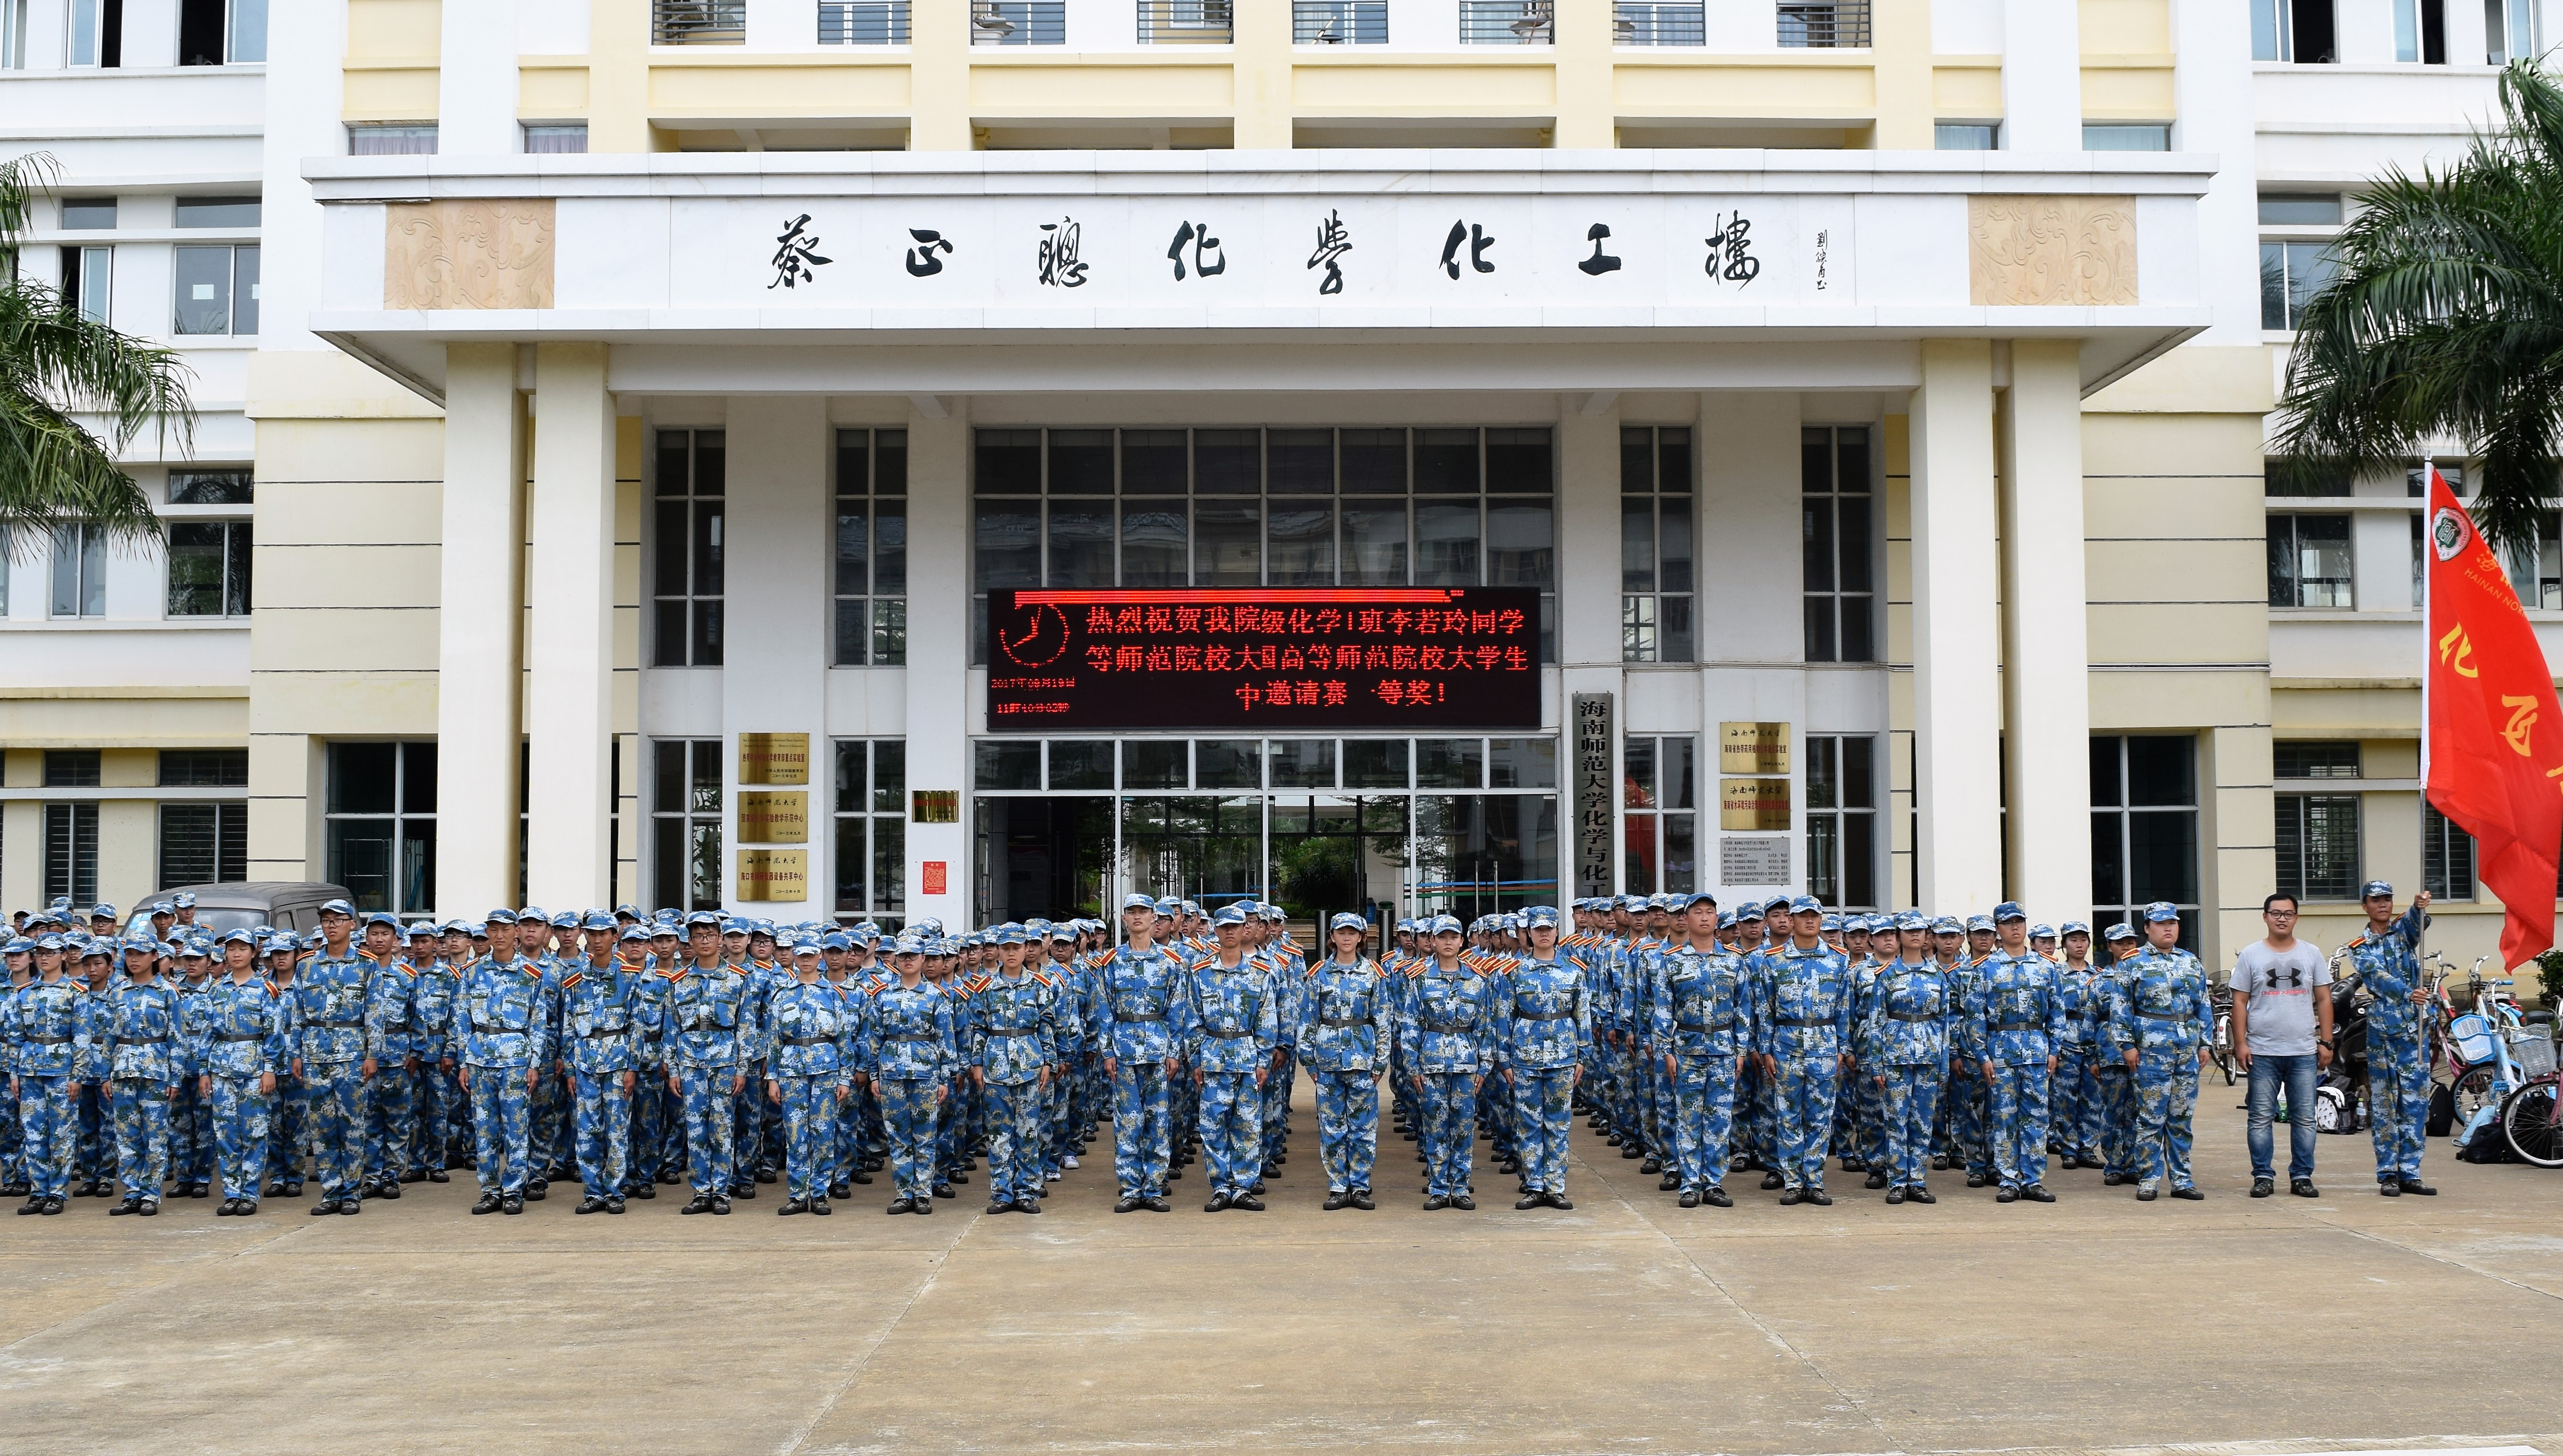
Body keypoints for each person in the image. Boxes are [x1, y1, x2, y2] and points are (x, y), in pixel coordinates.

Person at [2108, 902, 2216, 1201]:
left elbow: (2203, 1006)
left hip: (2186, 1049)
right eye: (2161, 923)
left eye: (2173, 923)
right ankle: (2149, 1178)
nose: (2168, 928)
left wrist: (2206, 1044)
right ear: (2147, 928)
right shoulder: (2133, 962)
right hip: (2151, 1050)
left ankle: (2182, 1179)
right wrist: (2127, 1046)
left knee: (2181, 1117)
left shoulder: (2191, 962)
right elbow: (2120, 1010)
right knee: (2151, 1117)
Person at [1175, 903, 1278, 1212]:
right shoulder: (1200, 973)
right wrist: (1195, 1061)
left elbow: (1267, 1020)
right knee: (1213, 1126)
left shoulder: (1260, 973)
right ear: (1217, 931)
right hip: (1213, 1060)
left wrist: (1263, 1062)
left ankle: (1243, 1187)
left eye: (1237, 926)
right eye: (1225, 927)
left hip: (1247, 1060)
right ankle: (1220, 1186)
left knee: (1247, 1126)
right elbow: (1191, 1020)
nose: (1231, 932)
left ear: (1246, 929)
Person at [2231, 893, 2333, 1198]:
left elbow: (2324, 998)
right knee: (2260, 1118)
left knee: (2304, 1118)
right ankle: (2263, 1175)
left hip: (2303, 1050)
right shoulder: (2251, 955)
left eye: (2288, 914)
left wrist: (2326, 1041)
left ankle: (2302, 1176)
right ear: (2265, 917)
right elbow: (2239, 1000)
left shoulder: (2311, 953)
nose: (2282, 919)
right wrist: (2240, 1043)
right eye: (2276, 913)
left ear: (2297, 918)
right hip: (2262, 1051)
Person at [1656, 891, 1750, 1208]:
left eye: (1710, 912)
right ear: (1687, 919)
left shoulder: (1735, 961)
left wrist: (1739, 1051)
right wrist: (1666, 1051)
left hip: (1723, 1049)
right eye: (1698, 912)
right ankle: (1690, 1182)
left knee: (1719, 1120)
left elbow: (1743, 1010)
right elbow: (1663, 1009)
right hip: (1687, 1049)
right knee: (1688, 1118)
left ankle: (1713, 1183)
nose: (1705, 917)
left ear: (1717, 919)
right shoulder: (1671, 961)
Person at [1758, 896, 1854, 1205]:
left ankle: (1814, 1180)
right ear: (1793, 920)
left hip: (1824, 1046)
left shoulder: (1838, 960)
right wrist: (1766, 1049)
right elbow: (1766, 1009)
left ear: (1821, 920)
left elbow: (1843, 1009)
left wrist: (1843, 1046)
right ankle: (1793, 1181)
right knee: (1787, 1115)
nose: (1809, 921)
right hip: (1786, 1045)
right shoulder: (1773, 960)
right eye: (1802, 916)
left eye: (1814, 916)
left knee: (1820, 1116)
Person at [1970, 902, 2067, 1203]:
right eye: (2008, 923)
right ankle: (2008, 1180)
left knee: (2037, 1117)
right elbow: (1975, 1018)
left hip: (2037, 1051)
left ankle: (2033, 1179)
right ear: (1998, 930)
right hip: (2002, 1052)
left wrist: (2054, 1049)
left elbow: (2057, 1013)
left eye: (2020, 922)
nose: (2015, 928)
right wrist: (1983, 1056)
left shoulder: (2046, 967)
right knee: (2004, 1118)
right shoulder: (1986, 969)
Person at [454, 911, 549, 1215]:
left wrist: (534, 1063)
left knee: (516, 1128)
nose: (498, 935)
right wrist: (463, 1063)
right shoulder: (472, 973)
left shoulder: (531, 974)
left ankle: (513, 1190)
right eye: (493, 930)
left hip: (515, 1061)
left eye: (505, 930)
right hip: (480, 1059)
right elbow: (461, 1021)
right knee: (484, 1129)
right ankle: (490, 1190)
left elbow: (538, 1024)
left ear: (517, 932)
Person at [2345, 880, 2436, 1197]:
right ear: (2365, 905)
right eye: (2376, 900)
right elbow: (2376, 977)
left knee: (2415, 1103)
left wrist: (2418, 905)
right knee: (2384, 1105)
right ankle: (2388, 1173)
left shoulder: (2403, 932)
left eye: (2387, 899)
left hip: (2415, 1030)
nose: (2383, 904)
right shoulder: (2359, 946)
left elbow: (2416, 923)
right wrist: (2408, 992)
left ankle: (2411, 1172)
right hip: (2383, 1032)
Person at [1399, 913, 1496, 1211]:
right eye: (1442, 937)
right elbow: (1411, 1024)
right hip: (1431, 1063)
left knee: (1464, 1127)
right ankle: (1440, 1188)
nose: (1448, 942)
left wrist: (1485, 1065)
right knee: (1435, 1126)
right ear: (1433, 941)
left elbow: (1486, 1026)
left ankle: (1462, 1188)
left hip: (1467, 1063)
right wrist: (1412, 1065)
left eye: (1453, 937)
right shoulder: (1419, 980)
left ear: (1462, 941)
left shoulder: (1477, 980)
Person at [1498, 906, 1589, 1210]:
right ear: (1529, 933)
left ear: (1557, 931)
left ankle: (1555, 1186)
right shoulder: (1514, 972)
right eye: (1538, 930)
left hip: (1563, 1055)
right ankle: (1534, 1185)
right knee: (1527, 1123)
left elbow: (1582, 1015)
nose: (1545, 934)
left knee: (1559, 1123)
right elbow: (1504, 1017)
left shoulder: (1574, 971)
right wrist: (1504, 1059)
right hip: (1525, 1055)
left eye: (1550, 928)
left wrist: (1583, 1056)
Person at [1298, 912, 1390, 1211]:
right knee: (1332, 1128)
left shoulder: (1374, 975)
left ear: (1362, 938)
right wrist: (1310, 1063)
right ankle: (1338, 1185)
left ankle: (1361, 1186)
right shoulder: (1319, 975)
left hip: (1362, 1061)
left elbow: (1383, 1022)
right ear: (1332, 937)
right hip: (1327, 1063)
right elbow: (1307, 1020)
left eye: (1353, 933)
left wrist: (1380, 1064)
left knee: (1363, 1128)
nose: (1347, 938)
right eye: (1341, 933)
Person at [1098, 894, 1182, 1213]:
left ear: (1154, 919)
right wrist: (1107, 1051)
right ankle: (1131, 1188)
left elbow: (1177, 1010)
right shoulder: (1111, 962)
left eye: (1143, 912)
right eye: (1131, 912)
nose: (1137, 918)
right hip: (1123, 1050)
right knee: (1127, 1121)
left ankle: (1155, 1187)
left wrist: (1175, 1051)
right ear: (1123, 919)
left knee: (1159, 1121)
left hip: (1158, 1049)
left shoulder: (1170, 963)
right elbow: (1103, 1009)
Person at [665, 911, 752, 1216]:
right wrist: (673, 1070)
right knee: (695, 1127)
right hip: (689, 1061)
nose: (704, 941)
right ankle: (701, 1190)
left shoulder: (739, 980)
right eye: (698, 936)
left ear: (720, 940)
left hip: (725, 1060)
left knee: (722, 1126)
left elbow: (745, 1027)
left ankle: (721, 1191)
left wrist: (742, 1069)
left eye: (710, 935)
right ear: (690, 941)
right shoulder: (677, 981)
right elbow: (671, 1028)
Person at [866, 931, 959, 1214]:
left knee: (925, 1134)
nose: (908, 960)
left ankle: (923, 1193)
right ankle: (903, 1192)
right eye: (903, 956)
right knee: (898, 1134)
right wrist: (873, 1075)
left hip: (926, 1073)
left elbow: (946, 1040)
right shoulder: (883, 996)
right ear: (896, 958)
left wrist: (946, 1079)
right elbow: (874, 1039)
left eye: (914, 956)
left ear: (922, 959)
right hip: (891, 1073)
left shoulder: (936, 997)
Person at [195, 929, 287, 1216]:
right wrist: (203, 1071)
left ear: (253, 953)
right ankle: (232, 1193)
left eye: (242, 949)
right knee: (226, 1134)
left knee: (254, 1133)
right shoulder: (217, 990)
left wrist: (269, 1070)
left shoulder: (265, 990)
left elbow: (274, 1034)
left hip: (254, 1069)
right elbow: (206, 1033)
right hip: (221, 1069)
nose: (235, 954)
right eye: (230, 949)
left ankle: (250, 1194)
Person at [972, 924, 1060, 1216]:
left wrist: (1049, 1062)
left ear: (1026, 950)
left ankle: (1026, 1192)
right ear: (997, 951)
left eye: (1016, 948)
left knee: (1028, 1132)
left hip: (1030, 1067)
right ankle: (1001, 1192)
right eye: (1005, 948)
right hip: (996, 1067)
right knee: (998, 1134)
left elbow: (1047, 1026)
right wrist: (976, 1064)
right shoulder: (984, 988)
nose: (1011, 953)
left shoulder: (1039, 986)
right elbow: (978, 1029)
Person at [1864, 913, 1952, 1204]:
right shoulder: (1887, 975)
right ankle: (1898, 1180)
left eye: (1920, 931)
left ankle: (1918, 1180)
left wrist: (1943, 1063)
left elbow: (1944, 1022)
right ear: (1899, 935)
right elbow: (1876, 1022)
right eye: (1908, 930)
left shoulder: (1938, 975)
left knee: (1922, 1122)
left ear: (1927, 936)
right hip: (1896, 1057)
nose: (1915, 935)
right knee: (1896, 1121)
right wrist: (1876, 1063)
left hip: (1928, 1056)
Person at [290, 901, 371, 1216]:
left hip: (352, 1053)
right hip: (314, 1053)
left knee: (351, 1123)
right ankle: (330, 1190)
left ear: (352, 925)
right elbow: (297, 1013)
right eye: (326, 921)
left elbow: (373, 1013)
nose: (332, 926)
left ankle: (351, 1191)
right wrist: (296, 1053)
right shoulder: (307, 965)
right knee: (321, 1125)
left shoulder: (366, 964)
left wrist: (372, 1053)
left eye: (338, 920)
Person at [559, 912, 638, 1215]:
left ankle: (615, 1191)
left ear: (614, 937)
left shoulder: (630, 977)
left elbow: (637, 1026)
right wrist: (570, 1069)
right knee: (588, 1130)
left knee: (617, 1129)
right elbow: (568, 1027)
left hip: (618, 1063)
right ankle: (593, 1192)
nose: (597, 939)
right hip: (585, 1064)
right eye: (591, 934)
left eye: (603, 934)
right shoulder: (576, 979)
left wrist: (632, 1067)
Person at [101, 937, 182, 1216]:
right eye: (130, 954)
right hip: (123, 1070)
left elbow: (177, 1039)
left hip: (155, 1070)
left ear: (155, 957)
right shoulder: (118, 992)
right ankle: (132, 1192)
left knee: (155, 1135)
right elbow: (110, 1037)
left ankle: (150, 1194)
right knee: (127, 1136)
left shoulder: (168, 992)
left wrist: (175, 1078)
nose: (134, 959)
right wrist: (104, 1075)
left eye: (141, 954)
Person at [766, 940, 847, 1215]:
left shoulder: (834, 995)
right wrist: (773, 1078)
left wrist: (845, 1078)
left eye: (811, 955)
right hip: (791, 1069)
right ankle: (798, 1195)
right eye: (801, 955)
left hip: (826, 1069)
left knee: (823, 1133)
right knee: (795, 1134)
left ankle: (820, 1193)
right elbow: (773, 1041)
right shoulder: (782, 995)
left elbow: (844, 1040)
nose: (806, 960)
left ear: (821, 957)